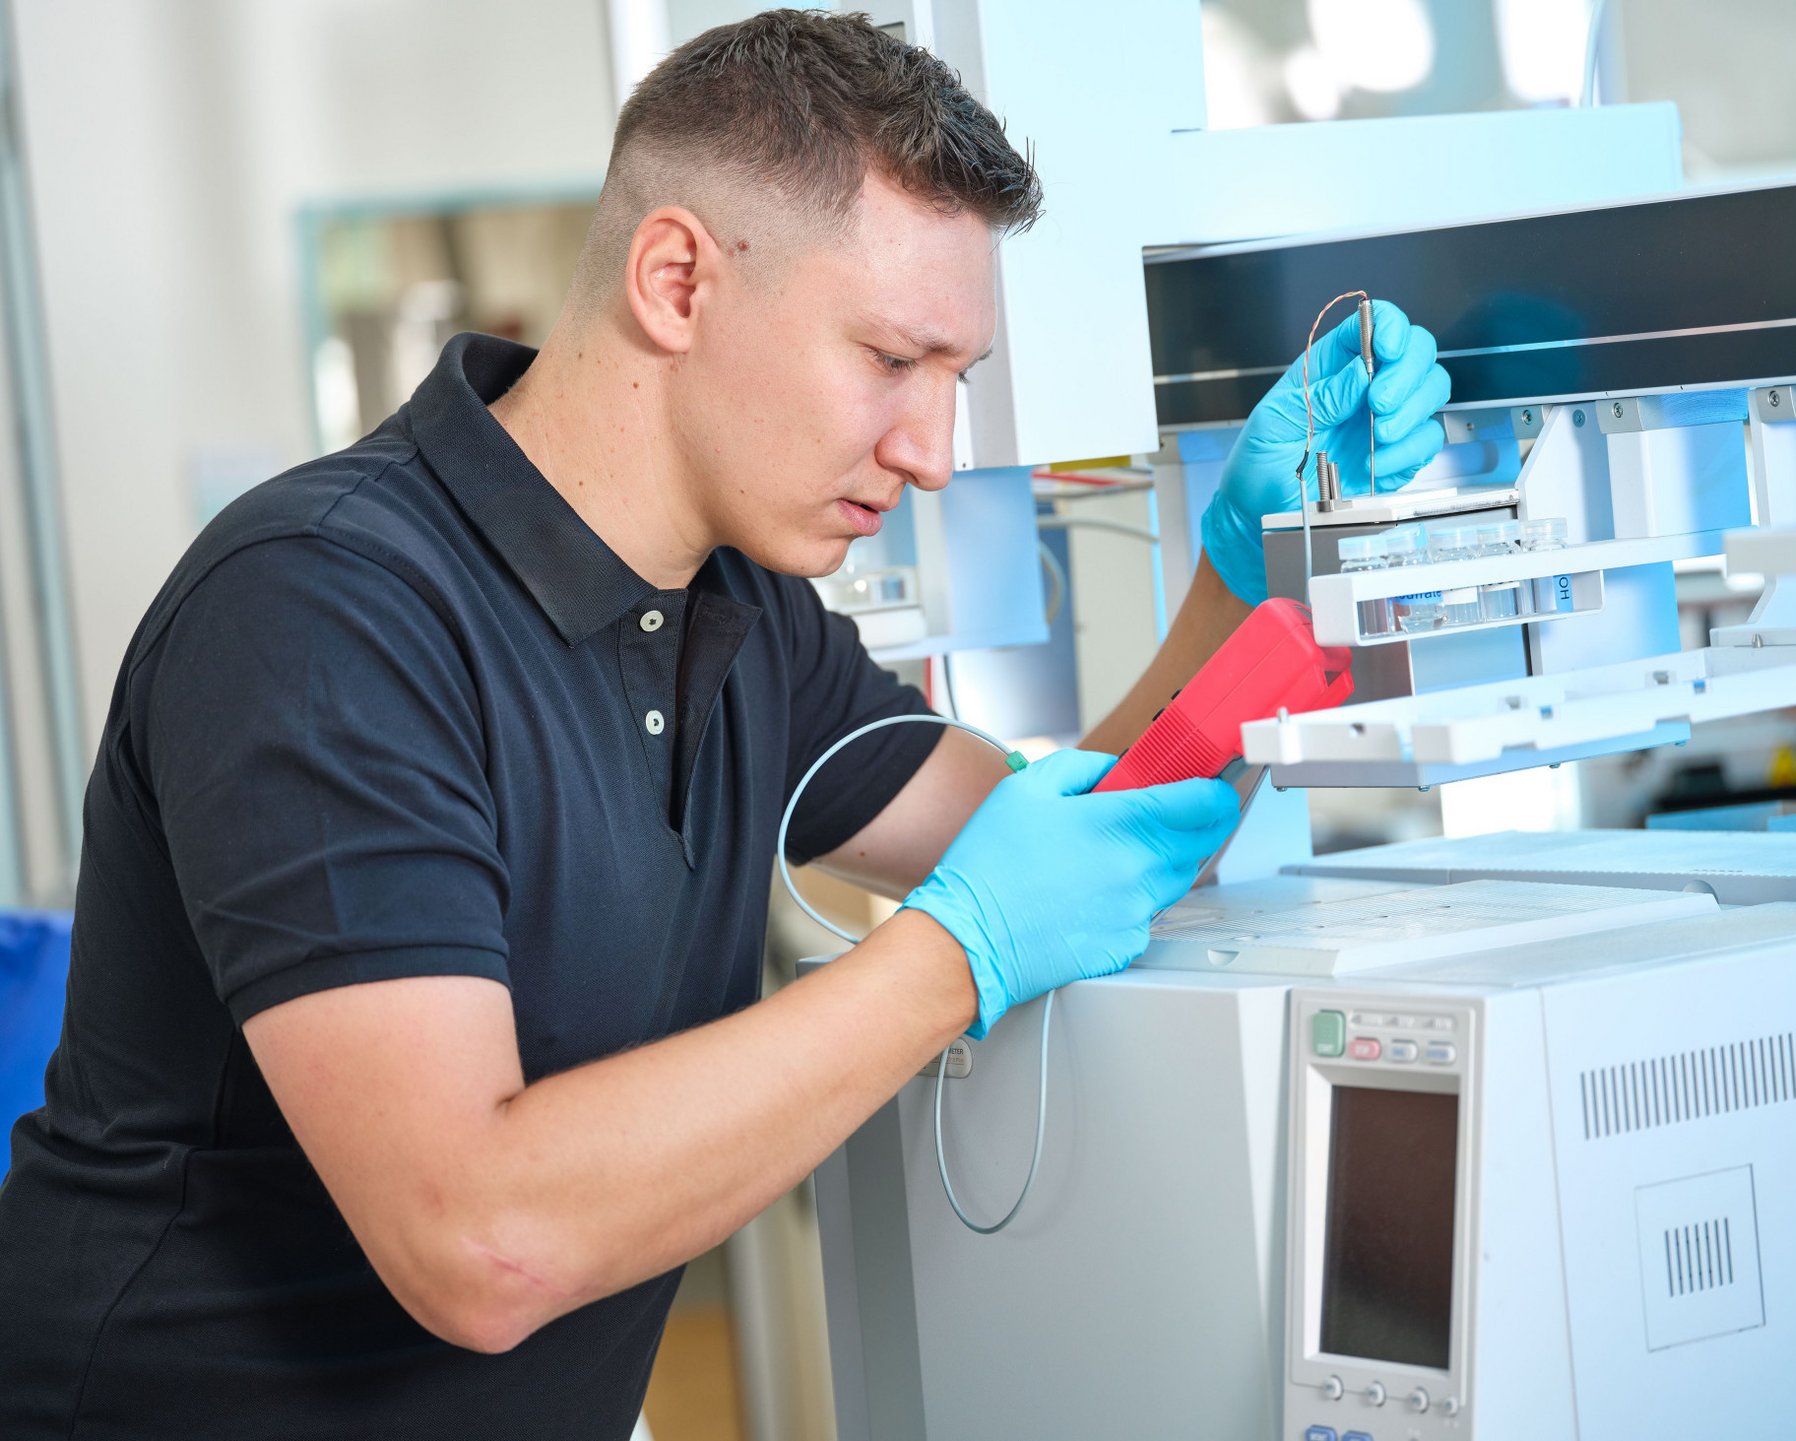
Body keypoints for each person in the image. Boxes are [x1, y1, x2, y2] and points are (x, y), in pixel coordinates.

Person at [0, 10, 1448, 1438]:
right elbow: (477, 1238)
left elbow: (1104, 839)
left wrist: (1249, 579)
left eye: (959, 381)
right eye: (891, 359)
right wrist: (958, 953)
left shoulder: (743, 615)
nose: (934, 454)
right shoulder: (323, 612)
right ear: (678, 280)